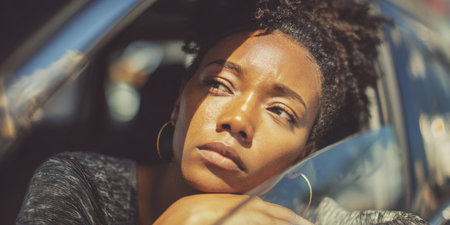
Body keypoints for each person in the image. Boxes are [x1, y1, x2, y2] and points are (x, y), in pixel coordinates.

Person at [16, 0, 429, 224]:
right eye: (218, 84)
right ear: (178, 104)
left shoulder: (307, 217)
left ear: (305, 154)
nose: (238, 120)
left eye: (281, 111)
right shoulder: (81, 185)